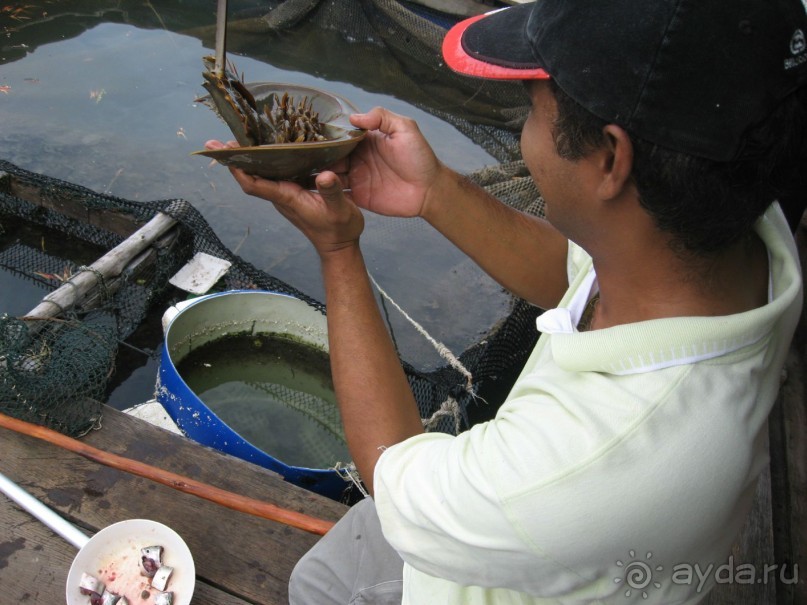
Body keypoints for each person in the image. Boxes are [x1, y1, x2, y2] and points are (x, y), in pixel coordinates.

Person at [205, 0, 807, 602]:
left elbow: (393, 479)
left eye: (533, 110)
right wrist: (433, 190)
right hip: (560, 541)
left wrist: (338, 251)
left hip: (489, 557)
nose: (526, 131)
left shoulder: (583, 461)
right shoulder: (733, 237)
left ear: (610, 159)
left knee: (314, 582)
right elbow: (570, 279)